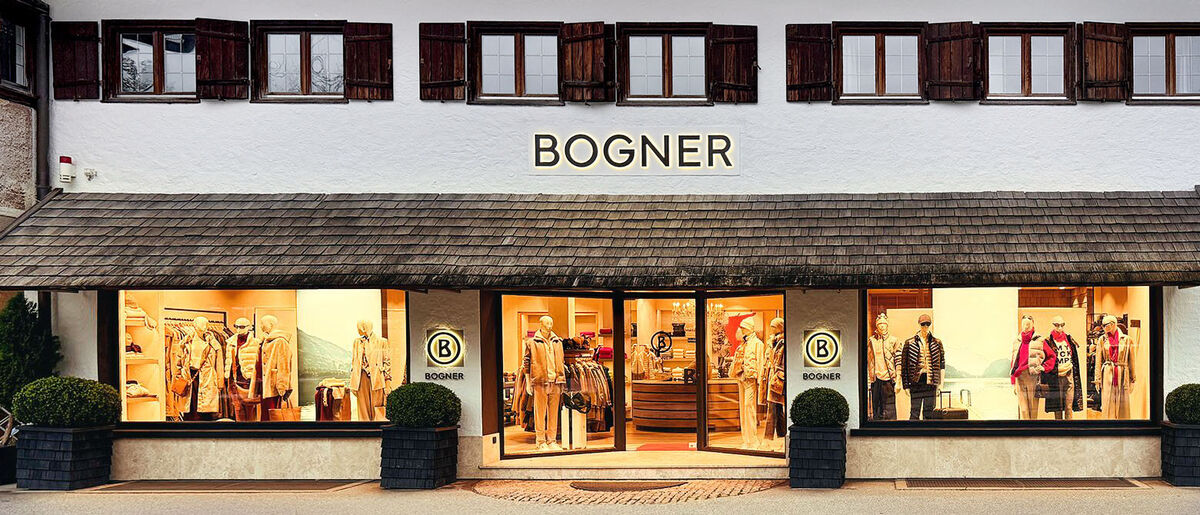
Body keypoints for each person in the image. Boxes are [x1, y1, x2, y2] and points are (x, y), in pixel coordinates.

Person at [896, 314, 944, 421]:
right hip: (916, 381)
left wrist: (941, 384)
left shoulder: (937, 343)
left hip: (931, 381)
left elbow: (942, 364)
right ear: (919, 324)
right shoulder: (909, 343)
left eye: (927, 324)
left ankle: (928, 432)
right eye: (923, 324)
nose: (925, 326)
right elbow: (904, 366)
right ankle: (913, 431)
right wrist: (906, 386)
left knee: (929, 413)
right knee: (914, 412)